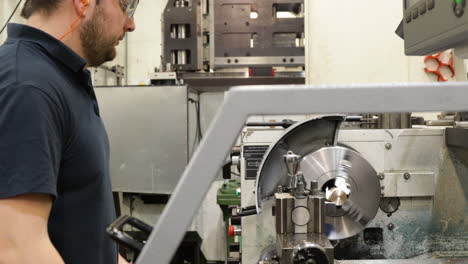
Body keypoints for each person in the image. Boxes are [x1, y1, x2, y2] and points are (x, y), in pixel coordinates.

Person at [0, 0, 137, 263]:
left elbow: (83, 230)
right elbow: (17, 249)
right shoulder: (27, 87)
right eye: (125, 6)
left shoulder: (63, 79)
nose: (131, 24)